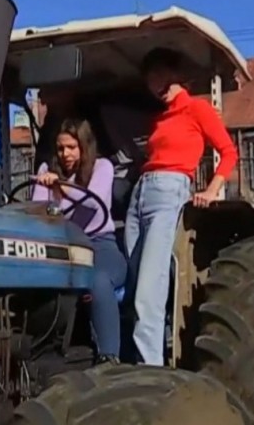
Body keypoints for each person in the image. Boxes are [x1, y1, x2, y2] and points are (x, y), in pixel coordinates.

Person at [125, 47, 239, 366]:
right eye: (149, 80)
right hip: (141, 192)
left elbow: (228, 152)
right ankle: (141, 352)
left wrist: (212, 190)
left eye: (159, 76)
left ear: (175, 74)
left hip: (169, 188)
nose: (154, 85)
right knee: (134, 281)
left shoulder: (197, 108)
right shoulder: (159, 117)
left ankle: (150, 370)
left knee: (150, 283)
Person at [32, 118, 127, 365]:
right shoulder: (47, 172)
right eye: (61, 148)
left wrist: (60, 187)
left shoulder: (101, 167)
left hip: (100, 245)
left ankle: (110, 357)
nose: (66, 154)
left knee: (97, 278)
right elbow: (37, 212)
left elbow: (93, 202)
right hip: (63, 248)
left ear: (84, 146)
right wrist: (46, 189)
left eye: (72, 147)